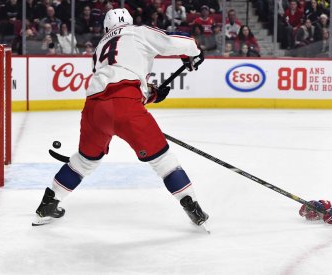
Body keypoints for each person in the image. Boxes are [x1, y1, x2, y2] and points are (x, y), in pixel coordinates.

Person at [32, 9, 208, 228]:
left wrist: (150, 94)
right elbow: (180, 40)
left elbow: (114, 84)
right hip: (126, 106)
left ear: (107, 27)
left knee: (85, 160)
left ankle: (47, 204)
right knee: (162, 160)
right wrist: (192, 54)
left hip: (94, 109)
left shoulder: (98, 49)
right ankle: (190, 204)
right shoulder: (137, 32)